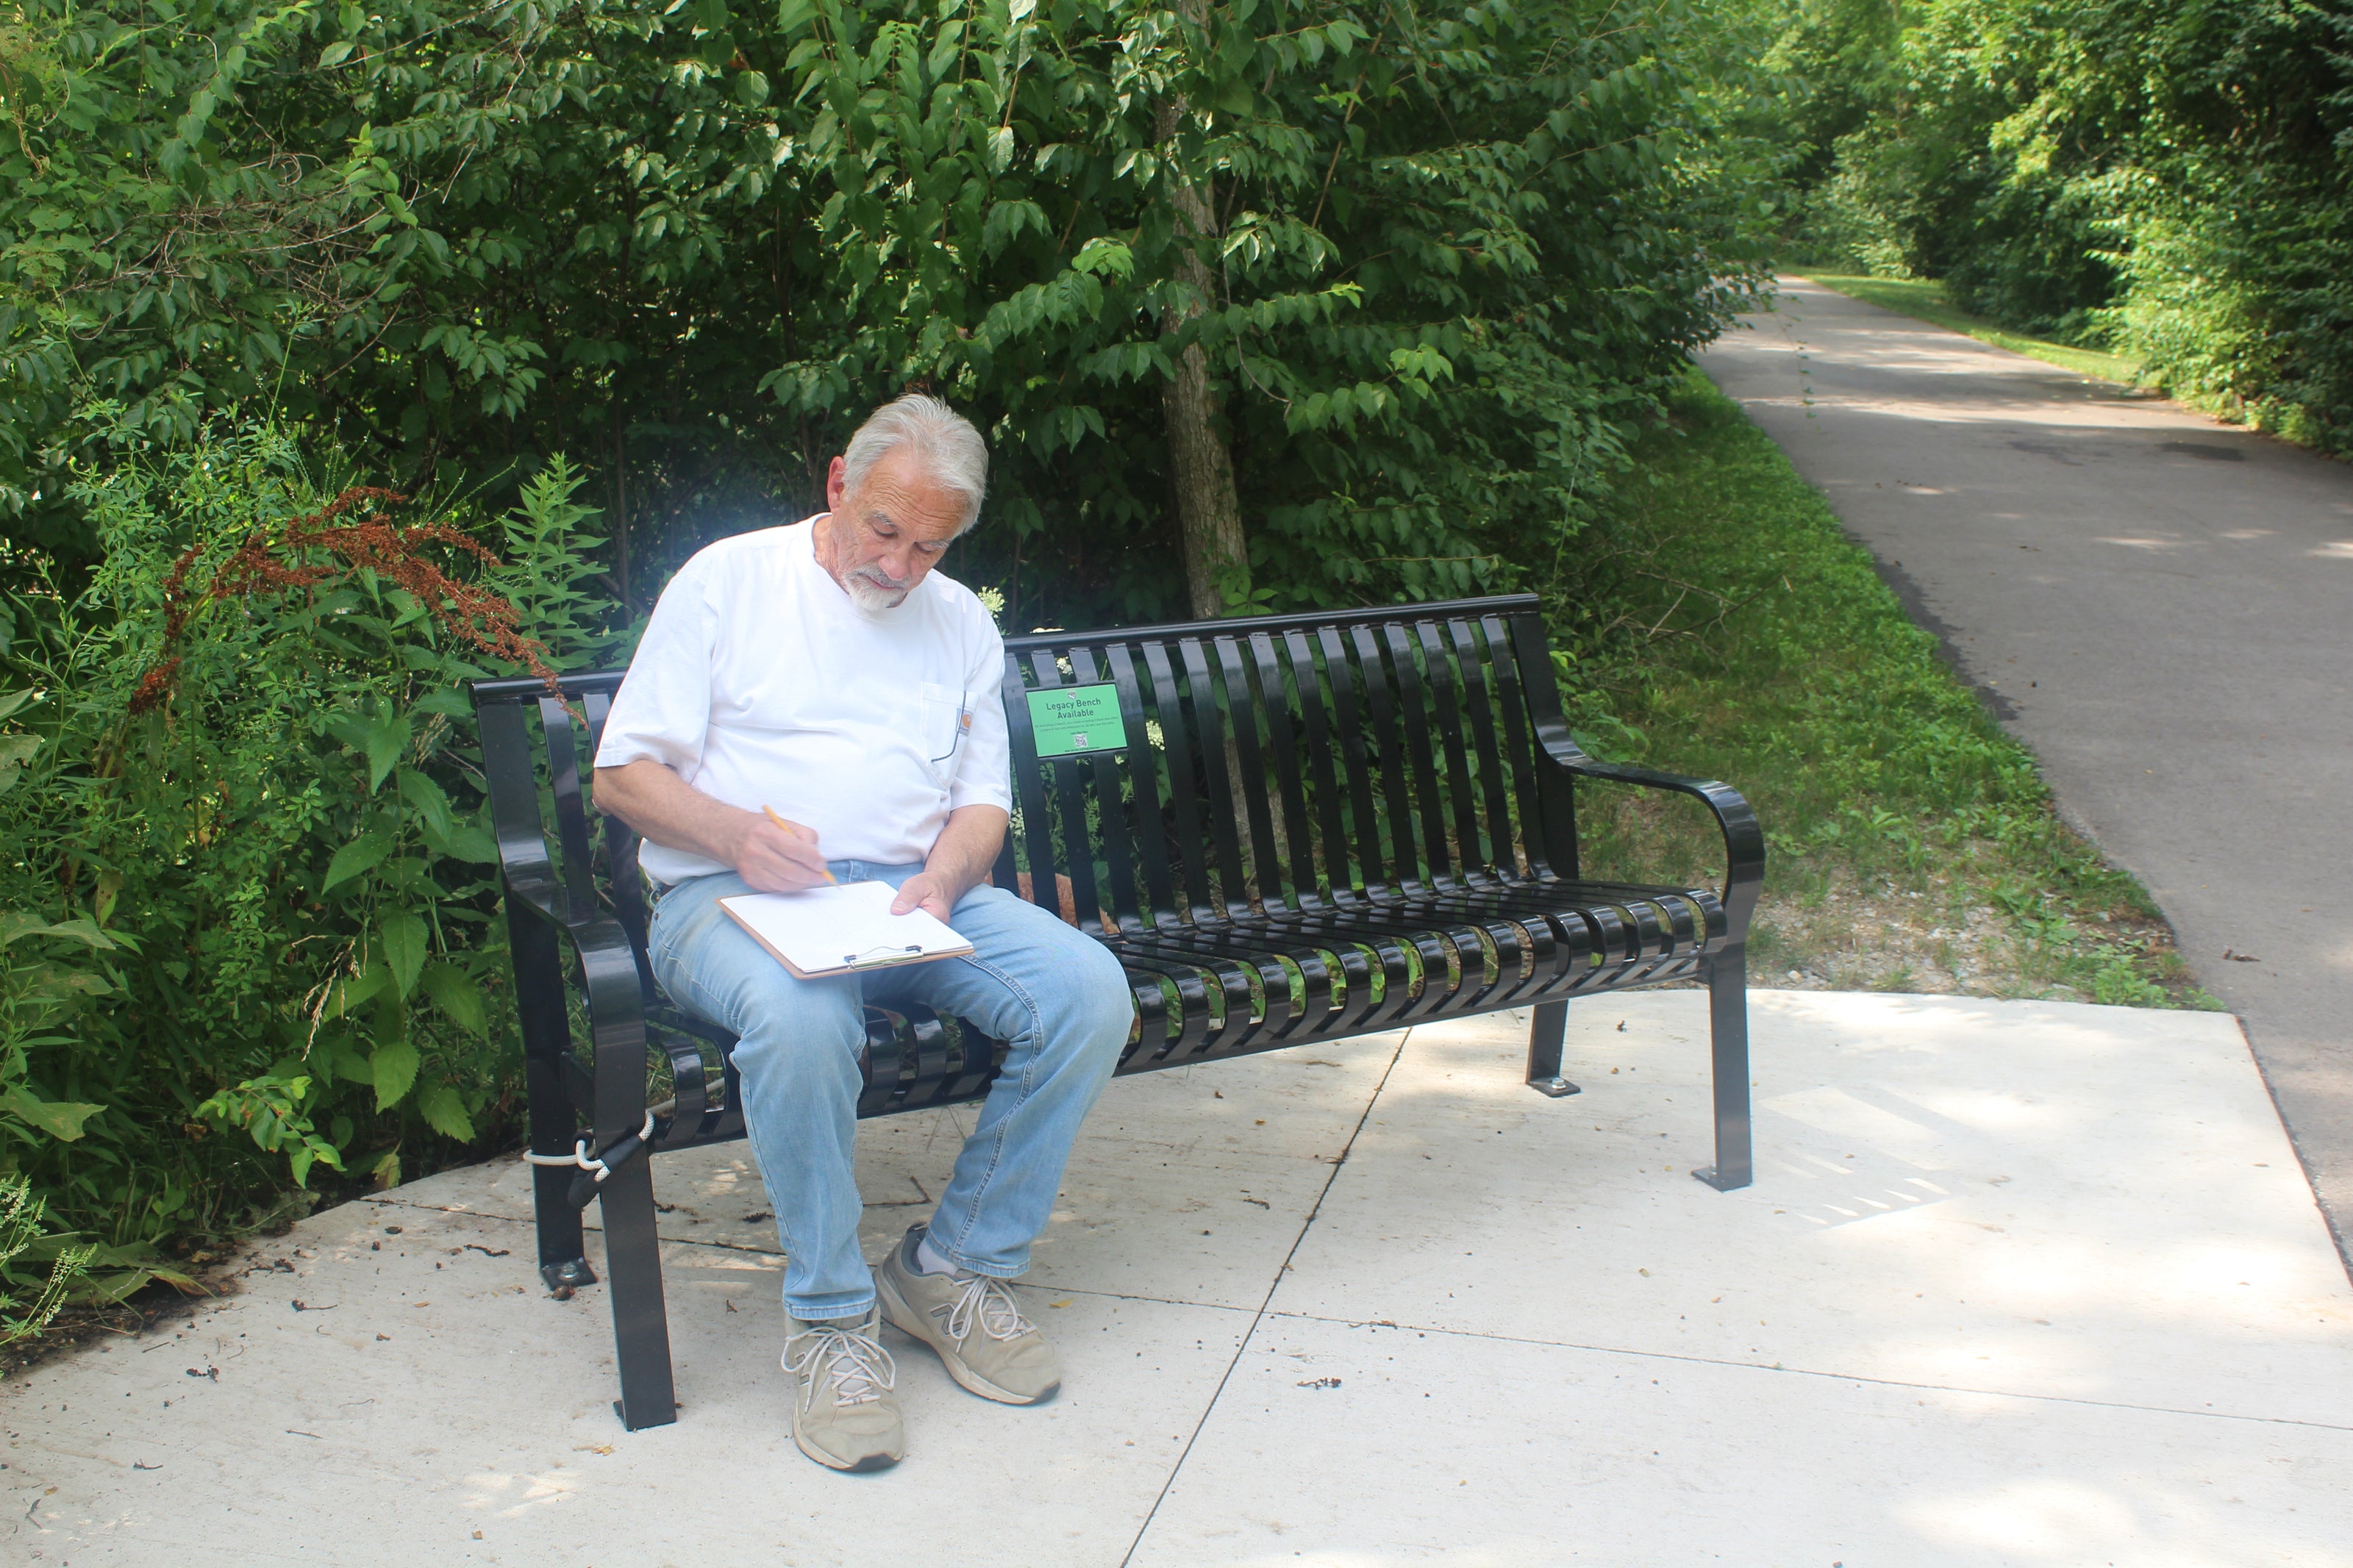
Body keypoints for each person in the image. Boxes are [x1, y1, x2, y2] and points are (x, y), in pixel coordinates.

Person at [590, 393, 1135, 1472]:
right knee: (800, 1020)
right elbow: (622, 774)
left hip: (905, 895)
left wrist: (945, 874)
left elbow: (982, 805)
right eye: (884, 530)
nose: (899, 564)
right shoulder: (728, 581)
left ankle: (951, 1267)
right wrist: (737, 832)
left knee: (1087, 991)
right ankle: (834, 1327)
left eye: (930, 546)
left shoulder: (961, 622)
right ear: (838, 482)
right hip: (724, 899)